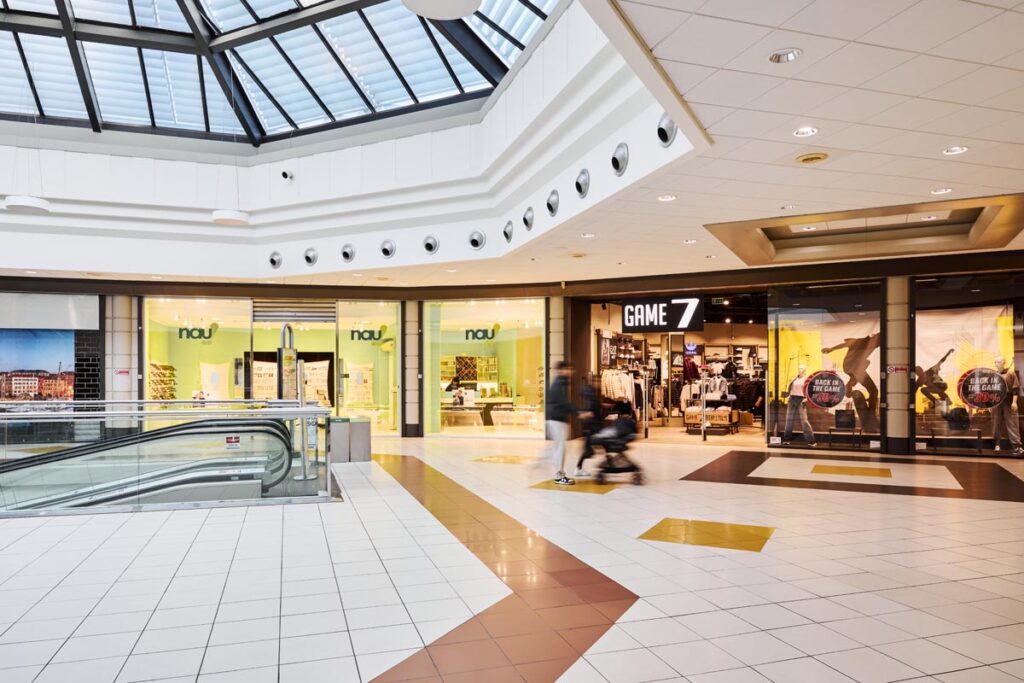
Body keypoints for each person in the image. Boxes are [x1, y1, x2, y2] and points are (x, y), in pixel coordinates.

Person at [543, 361, 576, 485]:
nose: (571, 372)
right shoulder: (558, 384)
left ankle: (555, 470)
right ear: (561, 370)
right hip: (557, 420)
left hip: (558, 419)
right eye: (568, 369)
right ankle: (559, 475)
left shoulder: (562, 383)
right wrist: (578, 411)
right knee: (560, 448)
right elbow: (563, 403)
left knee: (559, 447)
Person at [992, 356, 1023, 456]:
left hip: (1008, 401)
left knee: (1012, 424)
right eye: (995, 362)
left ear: (1003, 362)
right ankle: (997, 444)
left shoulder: (1010, 373)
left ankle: (1017, 446)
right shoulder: (994, 375)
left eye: (998, 362)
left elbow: (1016, 389)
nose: (996, 364)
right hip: (996, 402)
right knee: (996, 424)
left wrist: (1014, 402)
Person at [575, 375, 601, 477]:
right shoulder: (591, 394)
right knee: (588, 450)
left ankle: (579, 468)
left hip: (590, 426)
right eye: (598, 381)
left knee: (589, 449)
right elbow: (590, 410)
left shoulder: (591, 392)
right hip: (590, 426)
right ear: (594, 382)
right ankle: (578, 468)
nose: (600, 384)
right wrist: (587, 414)